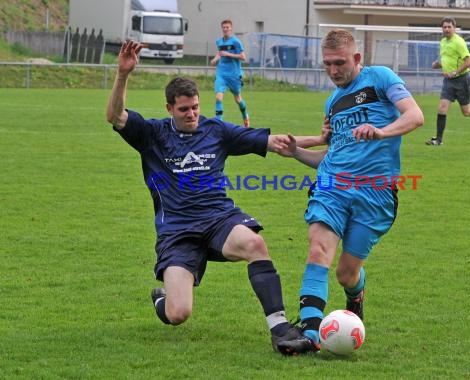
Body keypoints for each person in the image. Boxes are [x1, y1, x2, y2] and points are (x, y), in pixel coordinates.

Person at [105, 40, 325, 352]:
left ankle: (280, 330)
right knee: (178, 313)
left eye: (195, 107)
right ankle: (164, 300)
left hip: (218, 218)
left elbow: (274, 141)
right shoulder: (152, 134)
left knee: (254, 243)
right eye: (184, 109)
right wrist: (123, 75)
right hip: (177, 231)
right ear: (170, 109)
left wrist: (317, 138)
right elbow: (115, 116)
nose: (192, 114)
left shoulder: (216, 130)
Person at [273, 29, 424, 355]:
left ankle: (355, 297)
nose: (333, 70)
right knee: (318, 251)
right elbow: (333, 156)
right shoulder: (333, 102)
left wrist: (381, 132)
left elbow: (415, 116)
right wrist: (297, 153)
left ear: (356, 59)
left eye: (339, 62)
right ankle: (310, 333)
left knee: (346, 273)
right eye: (327, 64)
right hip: (332, 187)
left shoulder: (380, 78)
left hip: (376, 193)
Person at [426, 17, 470, 146]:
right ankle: (438, 140)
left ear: (454, 28)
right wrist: (437, 64)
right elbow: (448, 59)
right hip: (448, 81)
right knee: (442, 108)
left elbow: (469, 62)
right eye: (444, 27)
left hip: (461, 80)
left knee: (467, 112)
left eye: (449, 27)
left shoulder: (459, 42)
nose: (446, 29)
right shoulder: (443, 42)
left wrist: (455, 72)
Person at [210, 19, 250, 127]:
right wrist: (215, 59)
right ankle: (219, 122)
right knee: (218, 97)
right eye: (223, 27)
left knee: (238, 99)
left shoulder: (236, 41)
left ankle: (245, 115)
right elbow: (220, 53)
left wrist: (228, 54)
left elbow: (243, 57)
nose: (225, 29)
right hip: (221, 73)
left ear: (231, 28)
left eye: (227, 27)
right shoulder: (219, 41)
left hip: (234, 74)